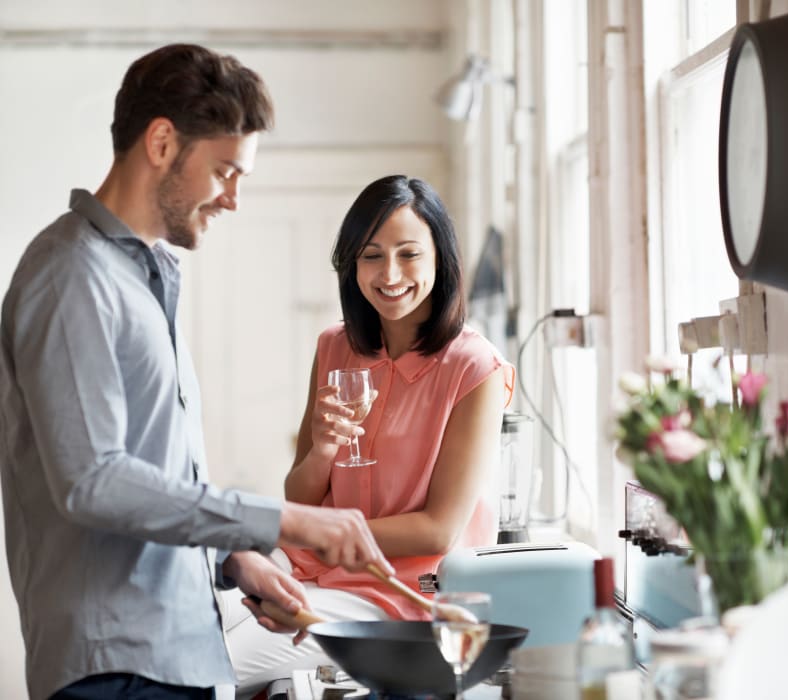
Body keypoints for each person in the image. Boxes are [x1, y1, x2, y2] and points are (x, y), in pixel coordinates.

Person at [0, 44, 392, 700]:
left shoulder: (143, 275)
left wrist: (232, 559)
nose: (234, 199)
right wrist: (285, 521)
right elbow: (93, 482)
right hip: (117, 672)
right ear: (161, 143)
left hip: (172, 656)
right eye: (225, 171)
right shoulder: (73, 276)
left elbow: (153, 480)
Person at [221, 175, 514, 697]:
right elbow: (301, 495)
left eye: (409, 254)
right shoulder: (336, 346)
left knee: (208, 663)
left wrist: (327, 534)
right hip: (307, 563)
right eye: (371, 256)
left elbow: (439, 531)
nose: (391, 274)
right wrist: (324, 449)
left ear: (440, 260)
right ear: (351, 264)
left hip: (396, 592)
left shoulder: (475, 368)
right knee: (185, 618)